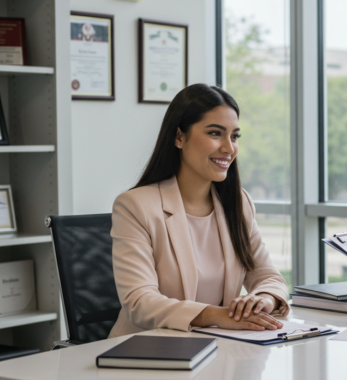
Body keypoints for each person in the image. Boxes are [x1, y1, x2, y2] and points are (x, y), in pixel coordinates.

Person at [108, 84, 289, 338]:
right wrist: (217, 315)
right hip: (147, 349)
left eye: (234, 136)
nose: (229, 148)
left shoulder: (238, 202)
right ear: (179, 137)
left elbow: (268, 277)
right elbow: (140, 301)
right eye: (215, 133)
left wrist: (262, 300)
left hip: (219, 345)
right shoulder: (135, 206)